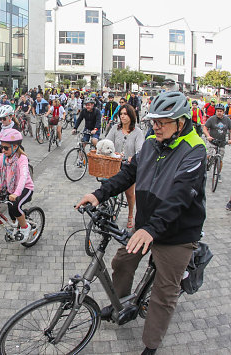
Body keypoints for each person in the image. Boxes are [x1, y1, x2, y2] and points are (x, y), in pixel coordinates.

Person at [76, 91, 206, 355]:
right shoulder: (150, 142)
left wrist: (150, 229)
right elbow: (129, 174)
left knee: (164, 293)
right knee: (122, 261)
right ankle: (119, 304)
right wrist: (99, 194)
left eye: (162, 121)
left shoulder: (195, 150)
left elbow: (180, 196)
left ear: (181, 122)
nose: (155, 126)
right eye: (153, 121)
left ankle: (151, 345)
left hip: (177, 233)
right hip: (148, 225)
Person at [105, 104, 144, 229]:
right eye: (121, 114)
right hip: (114, 163)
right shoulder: (115, 129)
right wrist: (109, 150)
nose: (122, 116)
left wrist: (134, 157)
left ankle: (131, 215)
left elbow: (140, 149)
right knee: (110, 187)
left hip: (129, 166)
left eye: (125, 114)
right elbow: (107, 142)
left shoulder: (137, 132)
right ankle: (112, 209)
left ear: (131, 116)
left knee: (129, 193)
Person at [203, 103, 231, 181]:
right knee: (208, 155)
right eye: (218, 111)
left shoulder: (227, 120)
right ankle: (206, 166)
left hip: (222, 142)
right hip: (212, 141)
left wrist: (230, 139)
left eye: (221, 111)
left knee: (220, 159)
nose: (219, 112)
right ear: (215, 111)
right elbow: (205, 128)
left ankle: (218, 173)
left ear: (223, 112)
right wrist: (208, 136)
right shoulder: (212, 119)